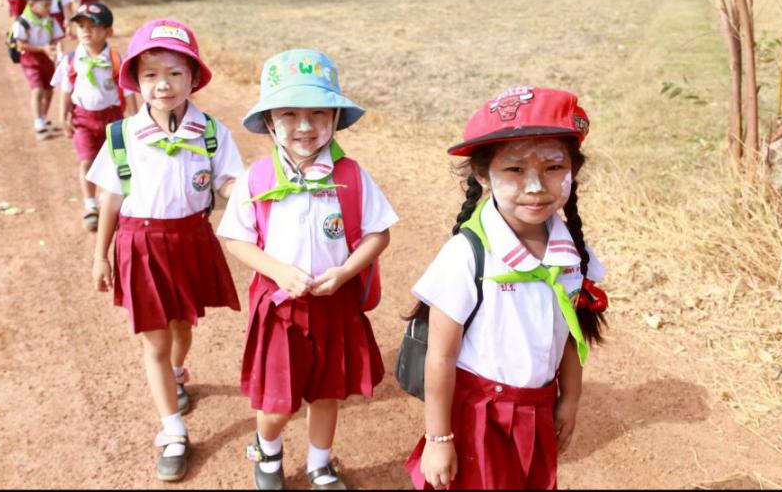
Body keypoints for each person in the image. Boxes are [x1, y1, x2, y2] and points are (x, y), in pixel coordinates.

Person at [403, 87, 609, 490]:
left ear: (574, 169)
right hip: (480, 415)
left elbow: (571, 334)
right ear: (483, 175)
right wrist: (438, 439)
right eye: (514, 170)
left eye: (553, 167)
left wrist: (570, 399)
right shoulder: (466, 256)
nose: (535, 186)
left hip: (538, 408)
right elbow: (441, 357)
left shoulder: (574, 254)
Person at [217, 49, 398, 490]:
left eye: (318, 113)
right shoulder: (257, 178)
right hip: (280, 311)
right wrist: (277, 271)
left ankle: (319, 463)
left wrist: (346, 272)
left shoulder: (351, 175)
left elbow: (378, 234)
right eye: (289, 114)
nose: (304, 126)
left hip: (336, 305)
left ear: (335, 118)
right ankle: (268, 448)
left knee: (327, 392)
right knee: (276, 403)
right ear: (269, 121)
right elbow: (236, 239)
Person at [86, 19, 243, 482]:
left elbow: (229, 182)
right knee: (154, 337)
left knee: (182, 325)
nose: (164, 85)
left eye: (175, 73)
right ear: (136, 80)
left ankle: (177, 371)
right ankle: (173, 431)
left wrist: (249, 193)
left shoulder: (210, 132)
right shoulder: (122, 136)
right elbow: (110, 198)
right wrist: (100, 255)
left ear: (193, 78)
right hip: (140, 243)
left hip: (192, 239)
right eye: (151, 74)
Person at [52, 2, 136, 231]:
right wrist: (63, 117)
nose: (86, 31)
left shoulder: (117, 60)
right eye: (81, 26)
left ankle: (109, 201)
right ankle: (90, 204)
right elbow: (66, 90)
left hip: (113, 119)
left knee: (115, 162)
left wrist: (135, 118)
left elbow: (128, 91)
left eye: (94, 26)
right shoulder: (71, 60)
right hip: (83, 119)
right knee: (87, 160)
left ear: (109, 31)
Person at [11, 0, 64, 141]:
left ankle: (43, 118)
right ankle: (38, 122)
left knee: (49, 90)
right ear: (31, 3)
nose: (49, 8)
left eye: (50, 4)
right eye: (45, 5)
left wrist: (57, 53)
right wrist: (43, 48)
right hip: (31, 60)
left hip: (48, 59)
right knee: (37, 89)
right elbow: (21, 44)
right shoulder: (23, 22)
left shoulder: (50, 20)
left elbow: (57, 38)